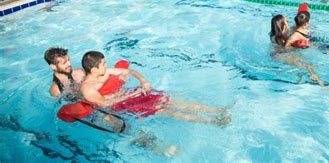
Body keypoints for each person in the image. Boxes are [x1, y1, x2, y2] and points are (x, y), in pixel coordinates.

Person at [80, 51, 231, 125]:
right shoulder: (88, 88)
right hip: (122, 104)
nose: (106, 66)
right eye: (104, 64)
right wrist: (132, 95)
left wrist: (143, 81)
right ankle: (212, 122)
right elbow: (105, 104)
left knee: (167, 99)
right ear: (93, 70)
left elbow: (128, 71)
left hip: (131, 95)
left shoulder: (103, 73)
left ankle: (218, 111)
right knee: (163, 109)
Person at [270, 11, 324, 86]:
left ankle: (301, 78)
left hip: (279, 54)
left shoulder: (277, 33)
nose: (288, 22)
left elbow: (294, 28)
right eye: (286, 21)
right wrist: (297, 46)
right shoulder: (279, 39)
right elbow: (285, 49)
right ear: (283, 25)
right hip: (281, 55)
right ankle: (313, 77)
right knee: (305, 64)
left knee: (305, 63)